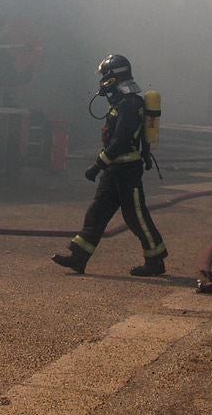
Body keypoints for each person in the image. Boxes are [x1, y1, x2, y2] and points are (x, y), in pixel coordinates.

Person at [52, 53, 168, 277]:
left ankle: (156, 260)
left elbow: (121, 140)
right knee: (96, 213)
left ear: (113, 78)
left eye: (104, 76)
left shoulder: (130, 104)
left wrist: (97, 165)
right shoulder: (122, 103)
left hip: (127, 172)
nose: (102, 82)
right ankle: (79, 257)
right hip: (114, 171)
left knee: (135, 216)